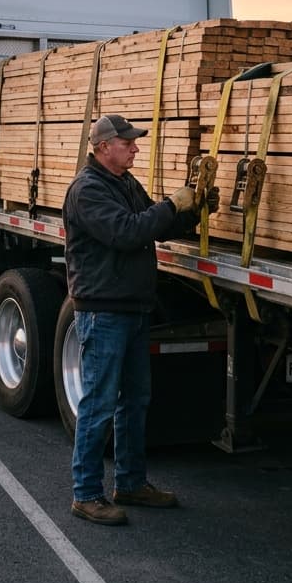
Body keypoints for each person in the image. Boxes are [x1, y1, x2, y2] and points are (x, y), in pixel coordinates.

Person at [62, 114, 218, 526]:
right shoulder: (88, 191)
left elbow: (156, 225)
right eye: (127, 142)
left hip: (131, 308)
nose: (134, 147)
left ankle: (130, 482)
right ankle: (86, 494)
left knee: (135, 400)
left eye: (133, 142)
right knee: (98, 405)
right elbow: (128, 232)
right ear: (103, 147)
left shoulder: (125, 184)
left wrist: (191, 211)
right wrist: (172, 204)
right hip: (103, 310)